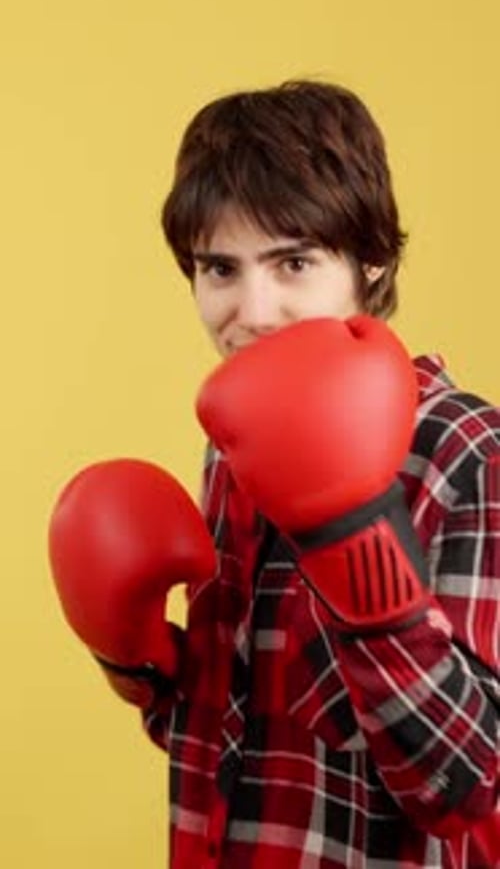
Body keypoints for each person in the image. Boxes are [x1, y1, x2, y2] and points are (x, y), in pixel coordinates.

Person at [49, 80, 499, 868]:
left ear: (371, 260)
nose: (253, 312)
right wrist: (139, 660)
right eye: (220, 269)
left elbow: (469, 788)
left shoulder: (466, 451)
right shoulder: (235, 446)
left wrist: (365, 564)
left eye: (293, 262)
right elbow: (240, 739)